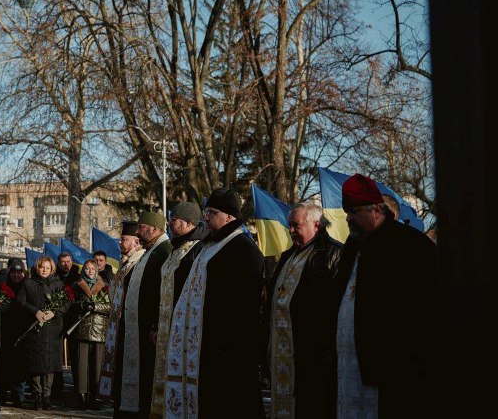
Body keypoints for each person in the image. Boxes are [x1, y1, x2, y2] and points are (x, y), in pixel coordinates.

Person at [334, 174, 436, 418]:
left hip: (394, 369)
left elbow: (427, 309)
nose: (348, 217)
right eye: (347, 211)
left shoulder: (411, 245)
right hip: (348, 367)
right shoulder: (351, 245)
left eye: (355, 211)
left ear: (377, 210)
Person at [166, 188, 265, 418]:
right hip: (205, 346)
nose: (206, 218)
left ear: (229, 217)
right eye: (206, 212)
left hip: (229, 350)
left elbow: (243, 307)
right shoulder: (209, 246)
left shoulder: (244, 250)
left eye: (212, 212)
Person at [265, 202, 342, 419]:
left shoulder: (333, 254)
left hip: (311, 353)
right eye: (289, 225)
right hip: (283, 352)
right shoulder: (289, 255)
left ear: (316, 225)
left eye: (296, 225)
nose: (290, 231)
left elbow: (333, 306)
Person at [150, 201, 209, 418]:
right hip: (167, 329)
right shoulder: (176, 247)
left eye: (173, 219)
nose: (169, 223)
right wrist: (158, 325)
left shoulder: (198, 249)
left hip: (185, 332)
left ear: (187, 223)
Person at [116, 211, 171, 418]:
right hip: (137, 327)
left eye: (142, 227)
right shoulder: (152, 250)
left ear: (154, 229)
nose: (138, 232)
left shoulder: (163, 250)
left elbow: (162, 292)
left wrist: (156, 325)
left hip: (148, 330)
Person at [16, 255, 72, 410]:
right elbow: (20, 301)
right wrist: (35, 312)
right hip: (35, 328)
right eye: (42, 267)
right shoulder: (28, 283)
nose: (45, 270)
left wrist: (55, 312)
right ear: (37, 268)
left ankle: (47, 395)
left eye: (48, 268)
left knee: (50, 363)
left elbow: (66, 302)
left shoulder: (58, 283)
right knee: (36, 363)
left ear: (52, 269)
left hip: (53, 328)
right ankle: (37, 394)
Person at [98, 221, 145, 401]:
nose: (120, 243)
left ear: (136, 242)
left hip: (128, 323)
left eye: (124, 239)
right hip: (116, 323)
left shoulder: (138, 262)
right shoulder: (125, 262)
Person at [70, 258, 110, 410]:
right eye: (87, 268)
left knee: (96, 366)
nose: (90, 271)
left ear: (97, 270)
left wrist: (96, 306)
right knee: (81, 365)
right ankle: (81, 396)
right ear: (83, 270)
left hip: (99, 330)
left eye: (93, 268)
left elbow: (110, 306)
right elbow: (70, 305)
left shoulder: (105, 286)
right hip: (81, 329)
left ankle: (95, 397)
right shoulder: (76, 285)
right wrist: (81, 305)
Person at [0, 259, 28, 406]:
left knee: (19, 367)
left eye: (19, 272)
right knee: (4, 365)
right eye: (14, 272)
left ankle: (18, 396)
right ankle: (2, 394)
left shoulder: (27, 286)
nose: (16, 275)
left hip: (22, 331)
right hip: (6, 330)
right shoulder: (3, 287)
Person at [53, 250, 80, 400]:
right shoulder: (55, 276)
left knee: (75, 356)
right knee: (57, 355)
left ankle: (77, 388)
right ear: (58, 263)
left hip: (73, 321)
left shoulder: (77, 277)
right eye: (62, 262)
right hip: (58, 319)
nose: (65, 265)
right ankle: (57, 388)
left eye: (68, 262)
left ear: (72, 262)